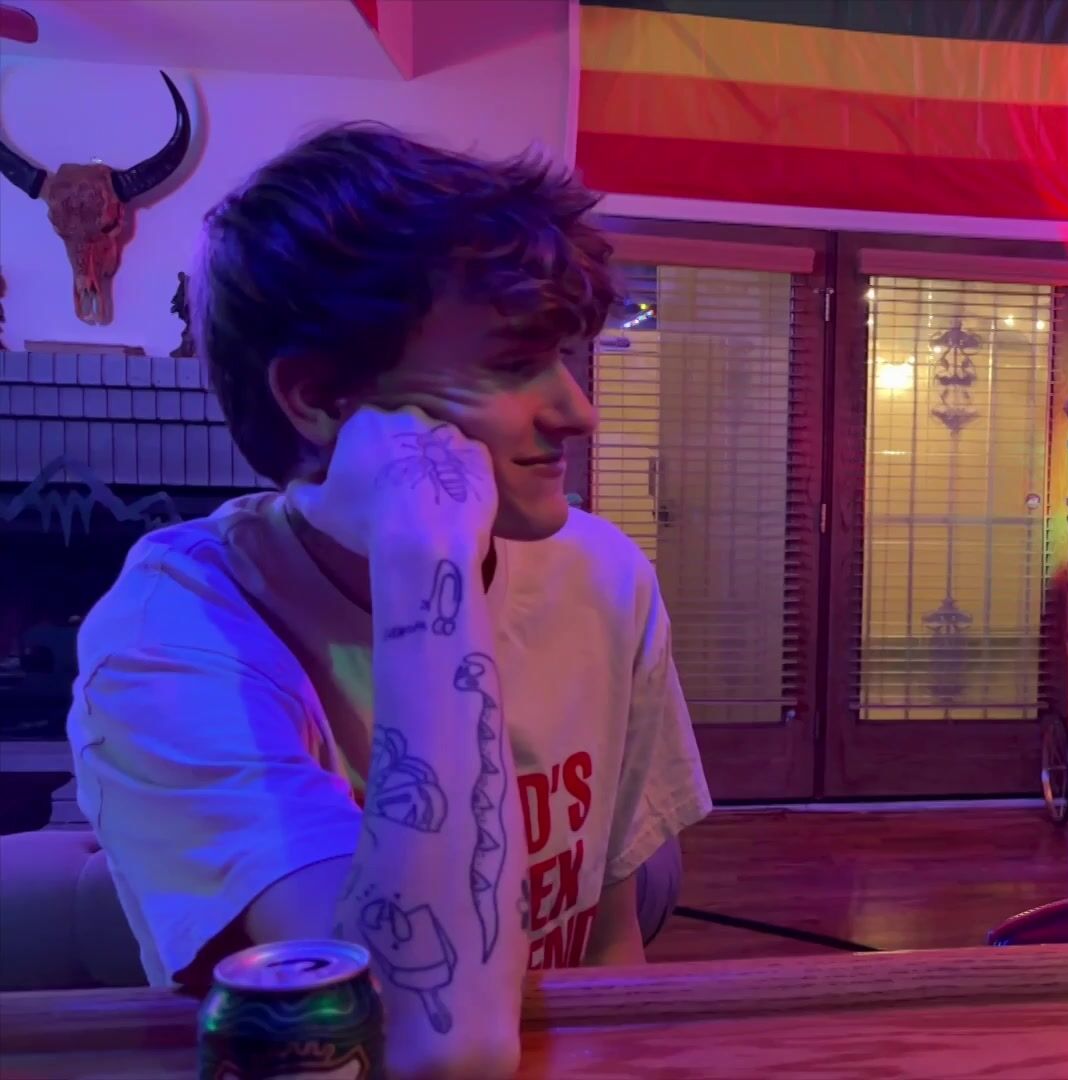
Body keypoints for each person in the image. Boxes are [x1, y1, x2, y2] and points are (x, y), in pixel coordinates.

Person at [67, 124, 710, 1078]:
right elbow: (426, 1043)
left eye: (565, 356)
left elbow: (607, 946)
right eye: (512, 363)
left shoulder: (603, 576)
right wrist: (426, 555)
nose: (579, 410)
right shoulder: (171, 638)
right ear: (321, 397)